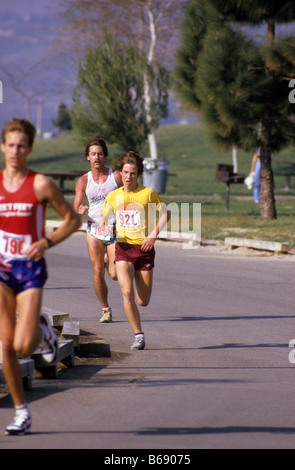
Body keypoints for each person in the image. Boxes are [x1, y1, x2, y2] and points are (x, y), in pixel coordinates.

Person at [0, 118, 81, 436]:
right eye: (10, 145)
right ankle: (21, 412)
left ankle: (45, 330)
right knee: (6, 344)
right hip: (3, 269)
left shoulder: (40, 184)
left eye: (22, 146)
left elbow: (72, 219)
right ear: (3, 147)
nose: (15, 151)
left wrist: (46, 242)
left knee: (23, 343)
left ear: (30, 148)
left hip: (30, 270)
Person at [100, 151, 170, 350]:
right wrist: (104, 224)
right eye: (125, 172)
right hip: (123, 248)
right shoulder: (114, 196)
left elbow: (166, 214)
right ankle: (138, 335)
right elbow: (104, 216)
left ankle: (109, 261)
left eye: (132, 173)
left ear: (137, 175)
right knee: (127, 292)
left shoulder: (147, 194)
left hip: (144, 249)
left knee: (143, 300)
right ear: (120, 173)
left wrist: (153, 235)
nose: (128, 176)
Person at [74, 138, 122, 323]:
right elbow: (76, 206)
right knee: (97, 272)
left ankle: (107, 257)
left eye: (100, 153)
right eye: (93, 154)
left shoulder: (115, 176)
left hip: (114, 229)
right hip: (94, 229)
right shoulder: (83, 181)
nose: (97, 157)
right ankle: (105, 309)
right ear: (87, 157)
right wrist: (78, 210)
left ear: (105, 156)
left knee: (115, 274)